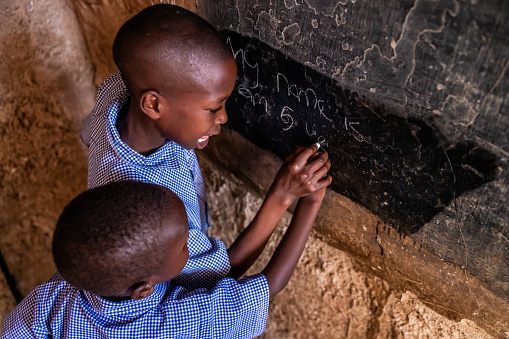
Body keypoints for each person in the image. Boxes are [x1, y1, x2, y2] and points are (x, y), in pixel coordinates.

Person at [80, 3, 331, 292]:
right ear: (153, 105)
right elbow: (220, 277)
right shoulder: (154, 210)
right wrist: (282, 195)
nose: (224, 117)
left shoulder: (116, 93)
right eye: (213, 108)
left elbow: (89, 131)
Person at [2, 176, 329, 338]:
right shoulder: (174, 324)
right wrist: (309, 203)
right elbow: (266, 286)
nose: (194, 245)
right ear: (144, 287)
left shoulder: (53, 297)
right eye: (185, 246)